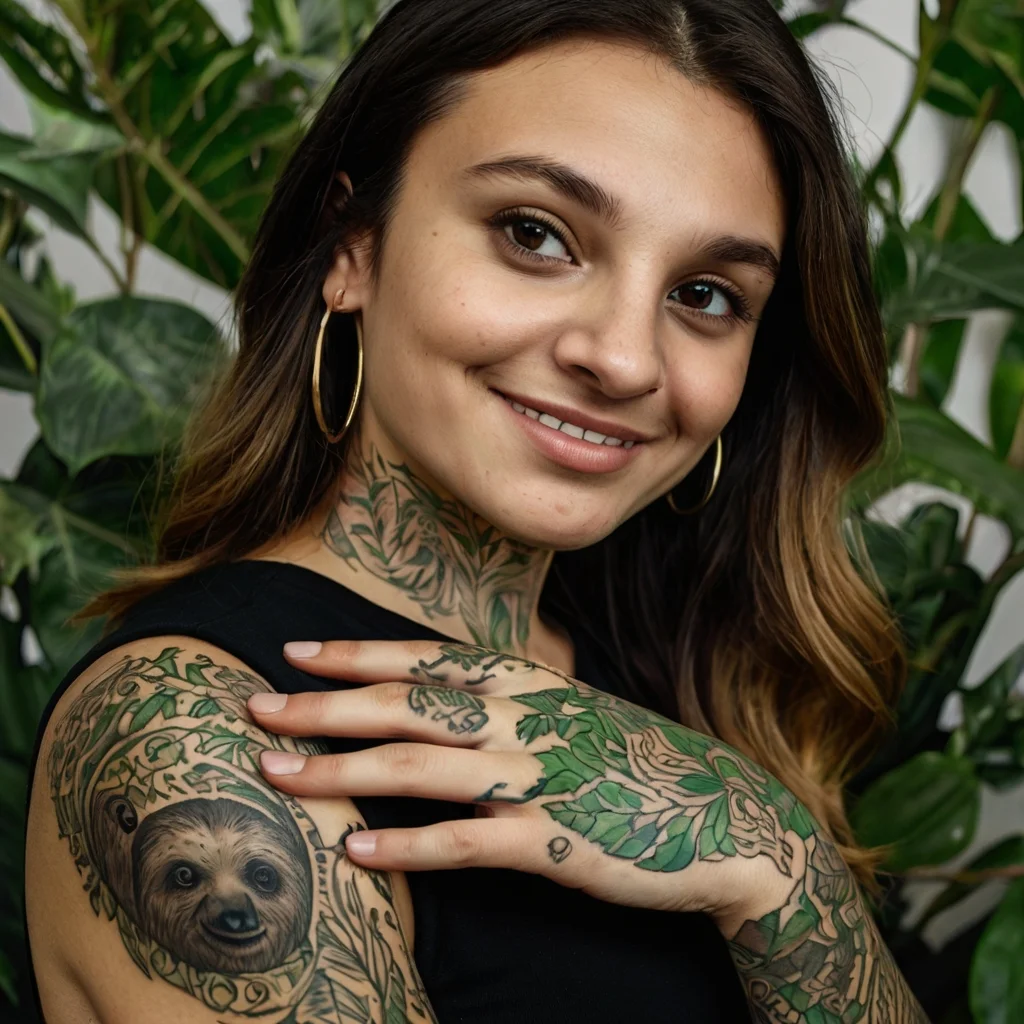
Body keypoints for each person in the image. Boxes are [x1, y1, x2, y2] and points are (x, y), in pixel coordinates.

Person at [23, 0, 927, 1020]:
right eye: (534, 233)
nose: (625, 358)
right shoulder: (199, 729)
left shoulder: (686, 689)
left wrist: (785, 866)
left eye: (706, 294)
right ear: (352, 247)